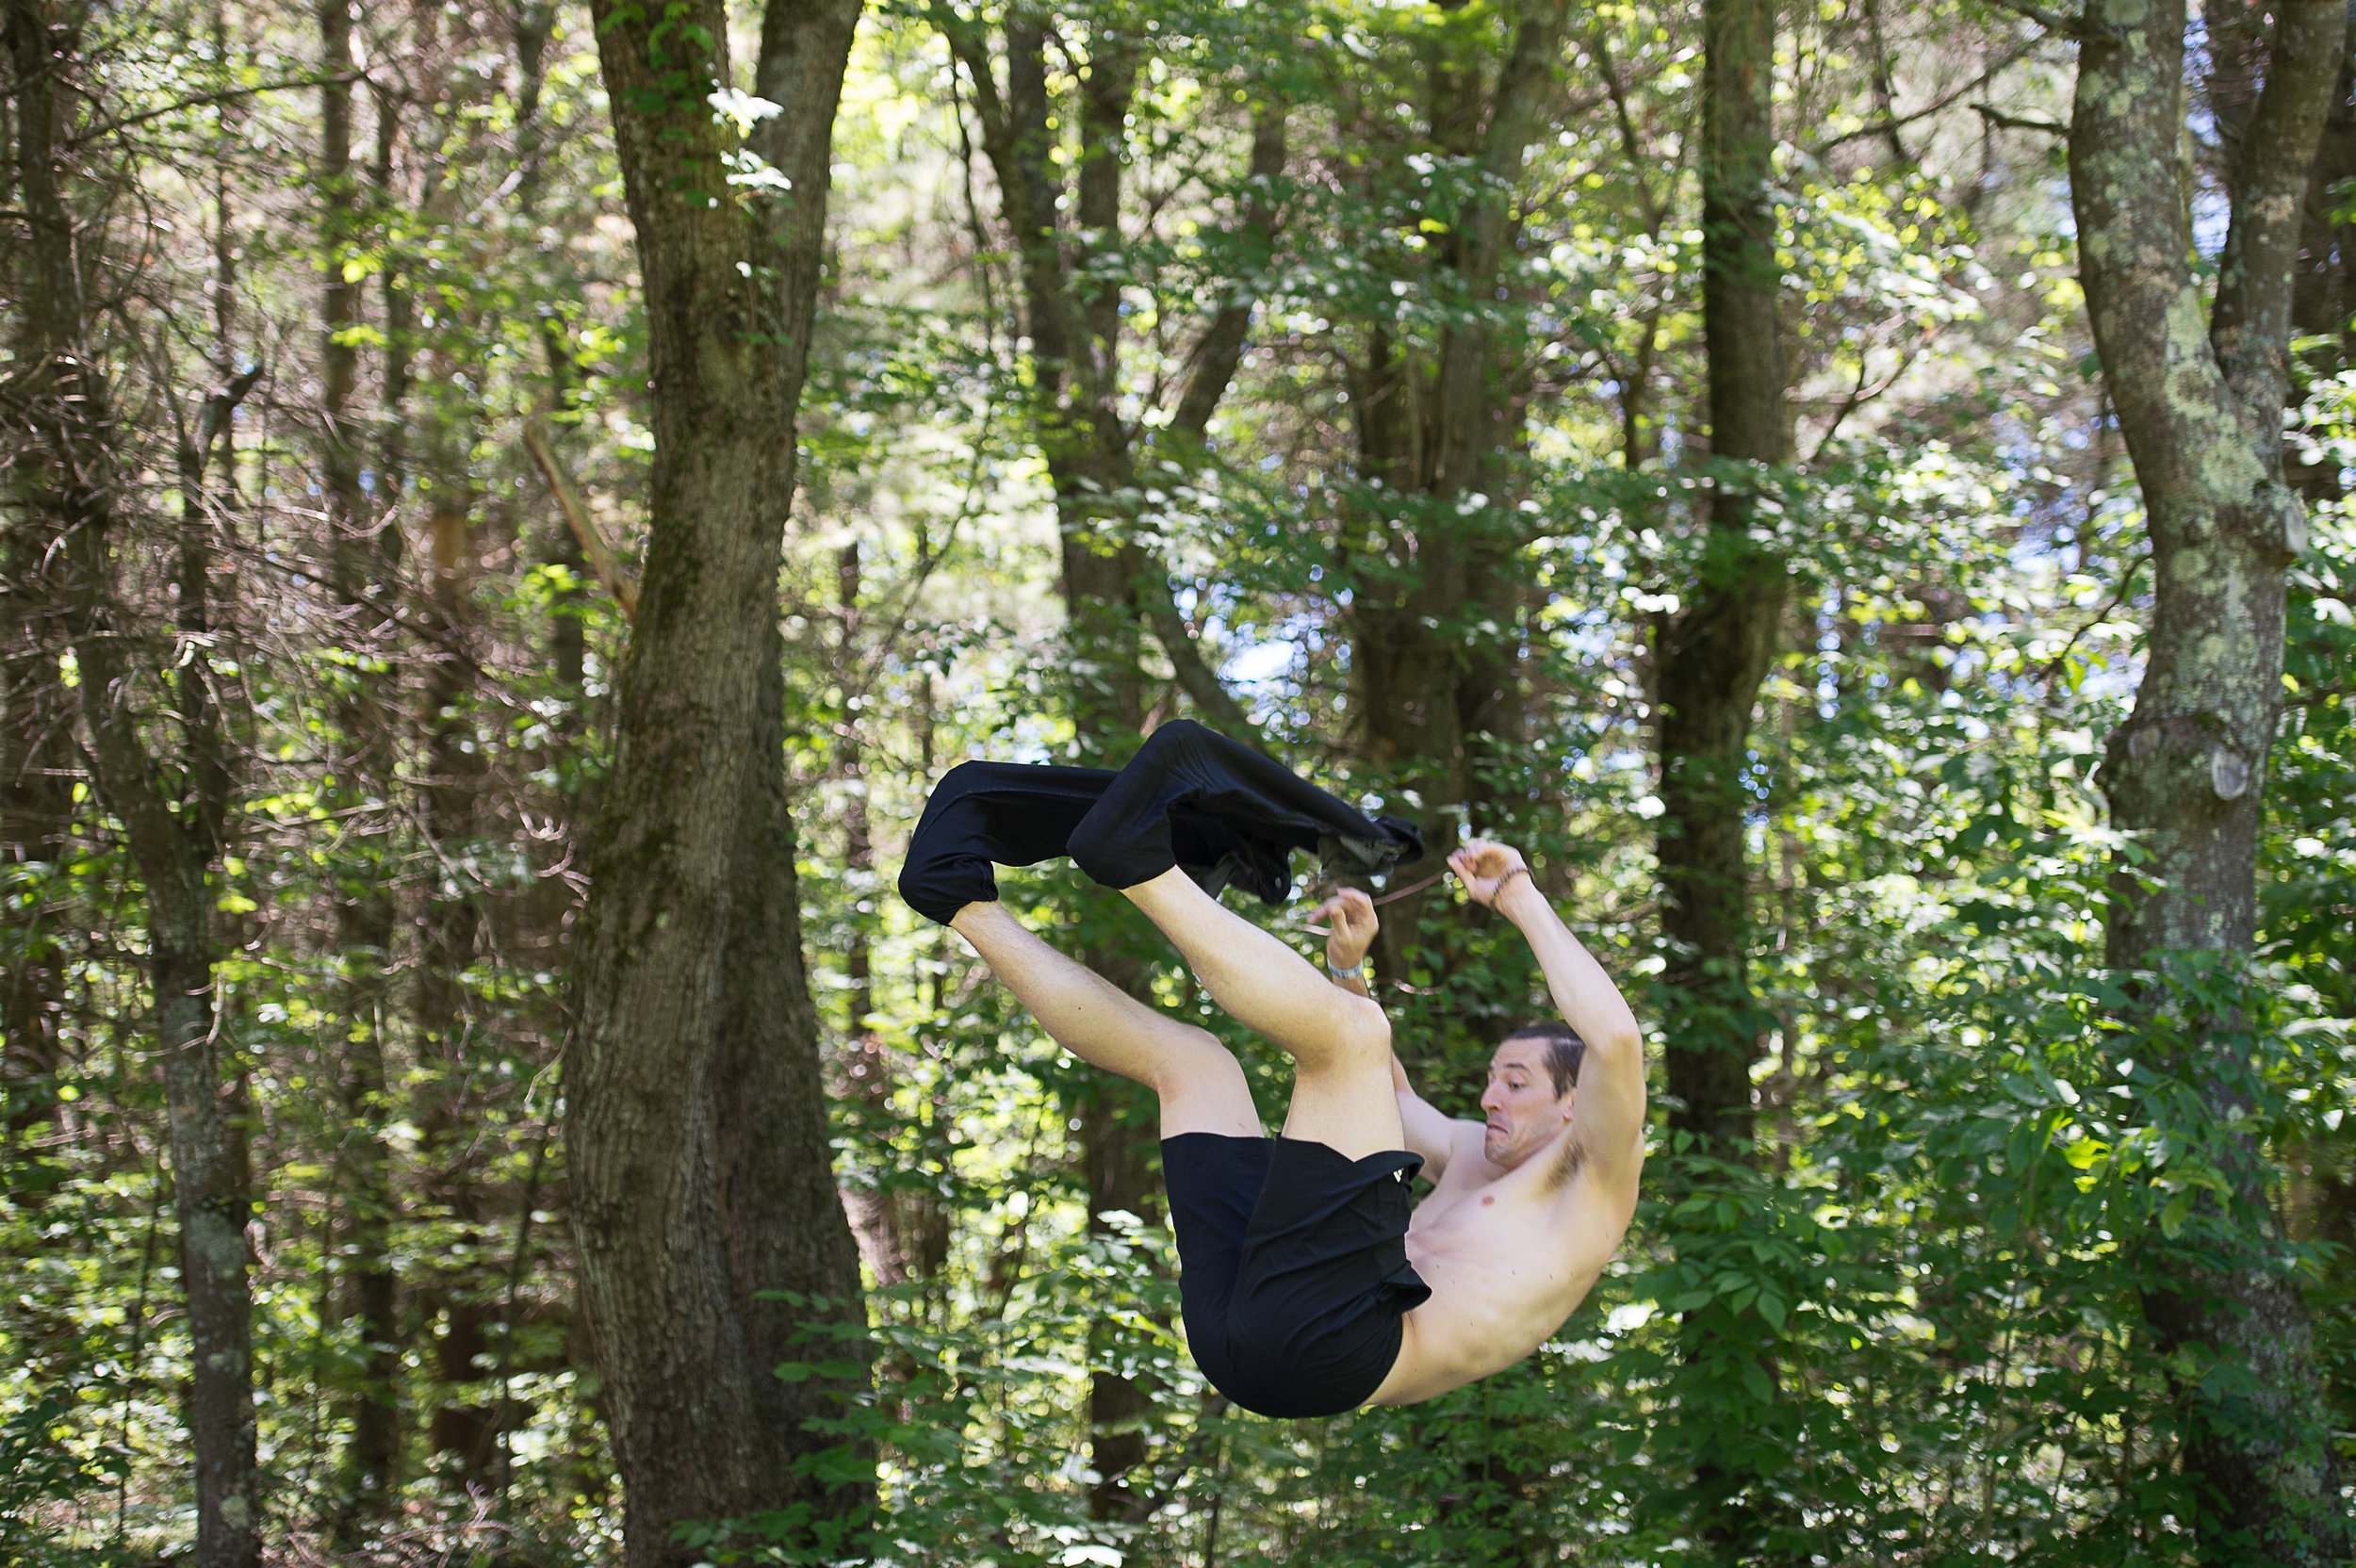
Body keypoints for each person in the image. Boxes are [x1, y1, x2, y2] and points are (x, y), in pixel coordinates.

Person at [898, 726, 1644, 1418]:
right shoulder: (1469, 1152)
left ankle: (1137, 863)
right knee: (1193, 1064)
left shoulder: (1595, 1178)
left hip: (1336, 1348)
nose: (1490, 1097)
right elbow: (1383, 1097)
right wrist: (1347, 970)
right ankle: (961, 900)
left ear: (1575, 1103)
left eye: (1516, 1083)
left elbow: (1614, 1038)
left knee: (1353, 1037)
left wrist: (1517, 893)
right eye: (1492, 1078)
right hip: (1246, 1331)